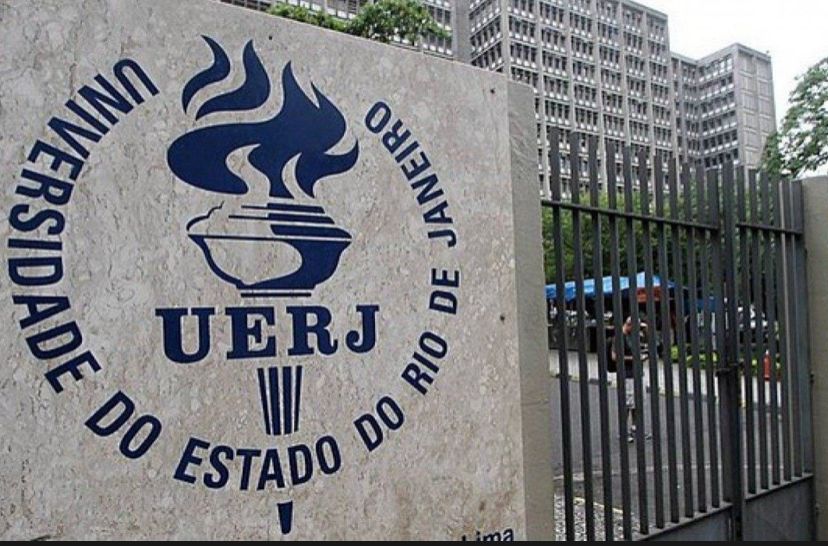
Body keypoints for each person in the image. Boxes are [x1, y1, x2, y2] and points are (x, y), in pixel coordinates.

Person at [610, 316, 648, 443]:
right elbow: (614, 357)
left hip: (637, 373)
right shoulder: (619, 337)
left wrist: (645, 329)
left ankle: (635, 428)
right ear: (629, 325)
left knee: (637, 402)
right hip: (627, 374)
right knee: (627, 403)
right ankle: (623, 431)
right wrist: (634, 358)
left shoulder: (633, 335)